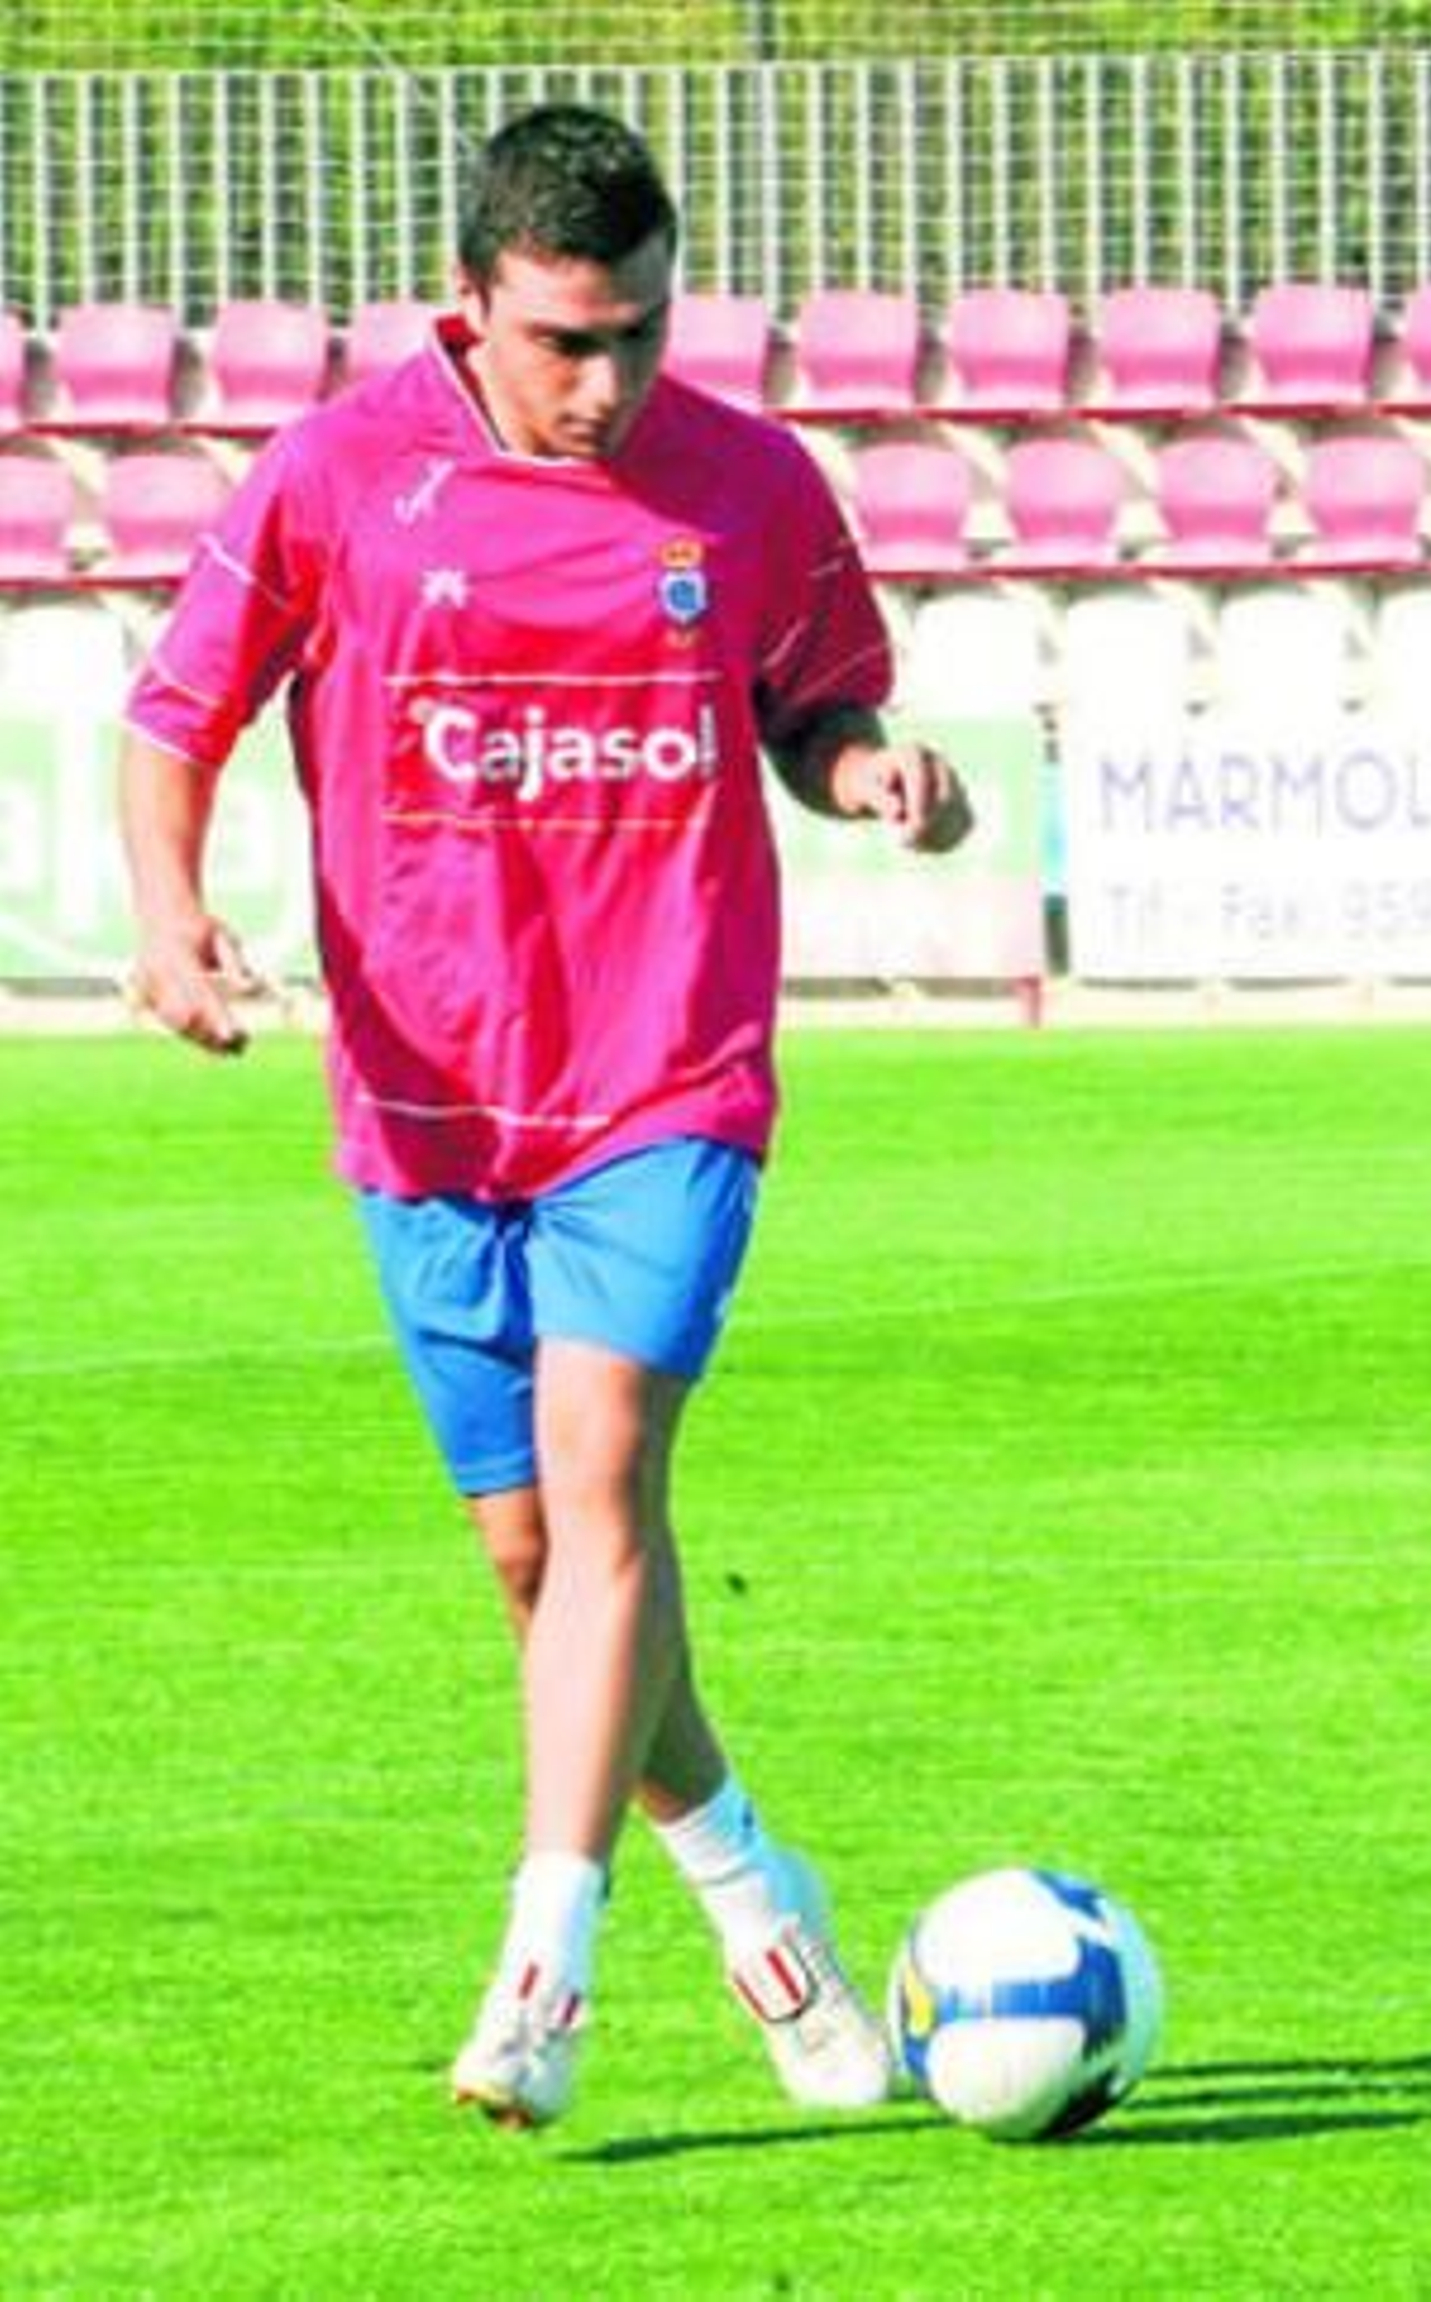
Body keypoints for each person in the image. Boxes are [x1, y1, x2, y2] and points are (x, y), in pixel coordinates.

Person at [119, 103, 972, 2131]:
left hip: (666, 1072)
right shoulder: (335, 478)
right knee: (536, 1560)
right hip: (423, 1107)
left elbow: (813, 700)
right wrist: (168, 919)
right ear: (471, 311)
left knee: (604, 1481)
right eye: (564, 341)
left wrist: (866, 774)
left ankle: (543, 1967)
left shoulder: (750, 483)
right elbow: (176, 712)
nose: (605, 383)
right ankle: (760, 1900)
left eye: (640, 336)